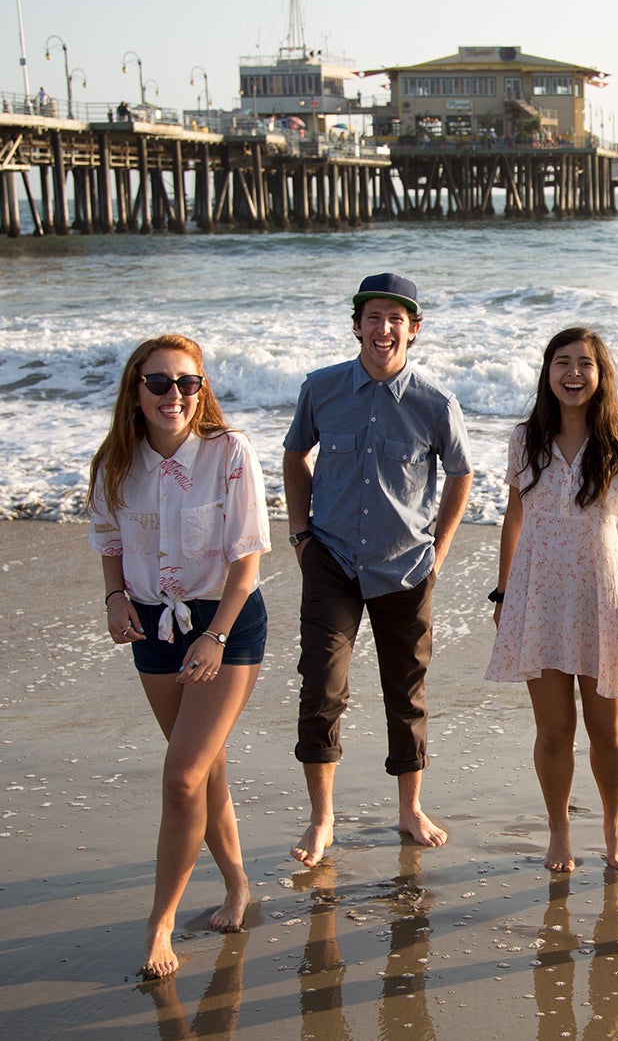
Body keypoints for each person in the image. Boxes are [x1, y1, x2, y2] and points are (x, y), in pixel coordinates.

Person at [88, 334, 271, 980]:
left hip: (225, 621)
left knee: (180, 777)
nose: (175, 396)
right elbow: (108, 536)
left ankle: (159, 921)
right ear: (135, 391)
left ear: (203, 390)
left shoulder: (229, 454)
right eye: (160, 383)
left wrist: (214, 636)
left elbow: (247, 561)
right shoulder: (115, 459)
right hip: (151, 627)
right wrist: (114, 596)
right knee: (204, 769)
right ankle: (238, 885)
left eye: (188, 383)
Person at [284, 272, 473, 863]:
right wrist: (299, 535)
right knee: (321, 688)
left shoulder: (435, 403)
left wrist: (437, 553)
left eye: (396, 318)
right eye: (373, 316)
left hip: (405, 568)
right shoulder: (322, 389)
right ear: (357, 325)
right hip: (332, 561)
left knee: (407, 694)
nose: (383, 328)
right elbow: (295, 454)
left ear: (413, 331)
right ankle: (322, 820)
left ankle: (410, 809)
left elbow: (462, 474)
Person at [485, 327, 618, 871]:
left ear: (601, 375)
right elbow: (513, 517)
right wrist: (503, 589)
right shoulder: (524, 439)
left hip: (602, 600)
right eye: (562, 363)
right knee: (554, 731)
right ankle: (559, 830)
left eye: (586, 364)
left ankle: (613, 823)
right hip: (538, 597)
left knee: (608, 732)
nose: (574, 374)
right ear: (547, 373)